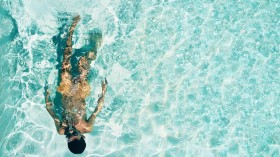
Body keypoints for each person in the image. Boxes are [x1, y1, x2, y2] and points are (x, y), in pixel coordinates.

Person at [45, 15, 107, 154]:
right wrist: (104, 92)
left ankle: (72, 29)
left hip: (65, 91)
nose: (71, 133)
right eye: (75, 136)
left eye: (69, 137)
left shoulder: (62, 130)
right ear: (82, 136)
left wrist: (47, 95)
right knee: (84, 61)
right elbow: (97, 109)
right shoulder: (87, 127)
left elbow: (50, 110)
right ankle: (95, 43)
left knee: (65, 63)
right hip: (81, 91)